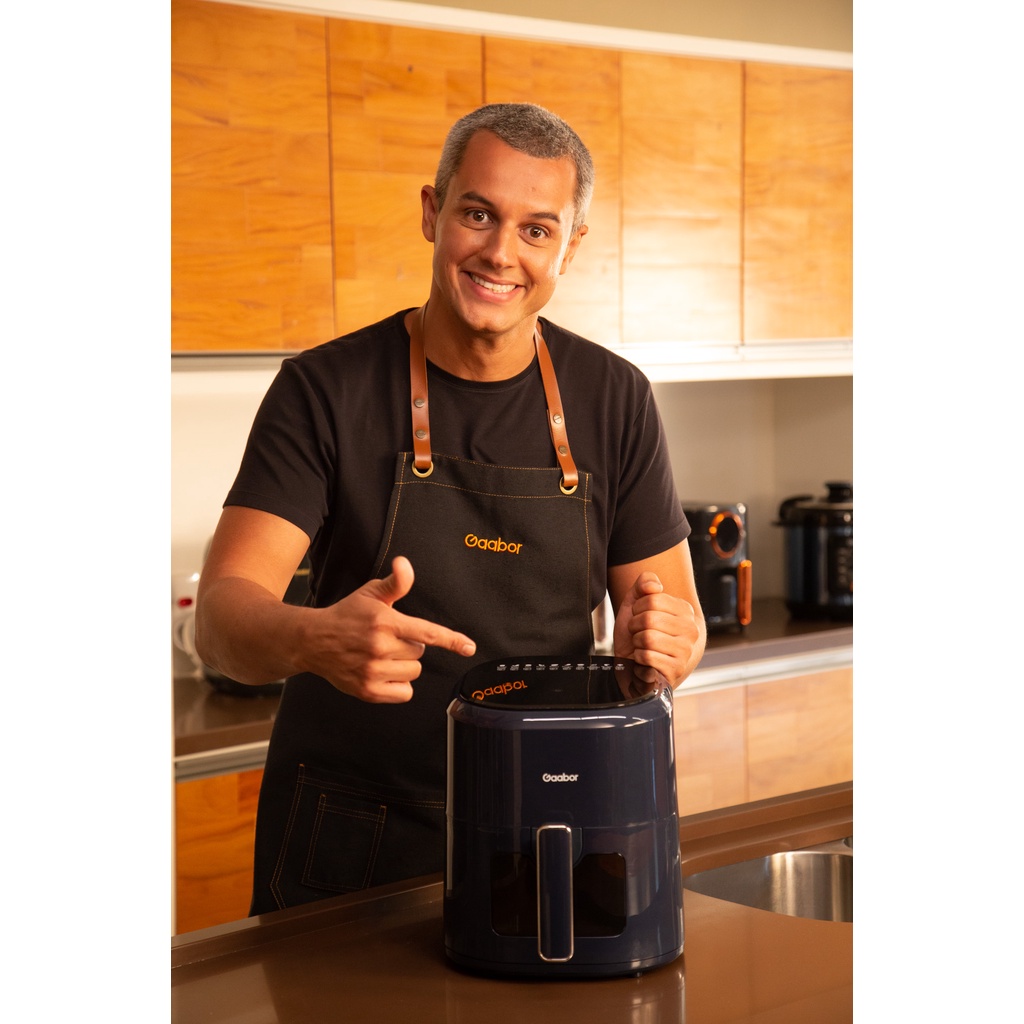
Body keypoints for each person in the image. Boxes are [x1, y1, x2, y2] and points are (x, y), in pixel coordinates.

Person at [194, 103, 707, 915]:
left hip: (548, 826)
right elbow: (220, 622)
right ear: (433, 213)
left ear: (570, 248)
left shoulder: (616, 398)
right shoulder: (323, 391)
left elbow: (676, 620)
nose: (501, 252)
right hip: (351, 837)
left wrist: (674, 643)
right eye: (478, 214)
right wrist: (314, 637)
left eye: (536, 229)